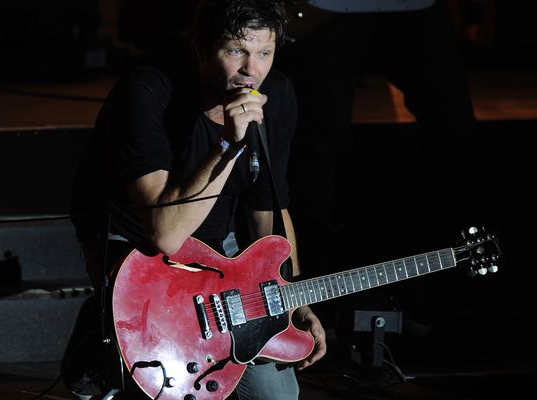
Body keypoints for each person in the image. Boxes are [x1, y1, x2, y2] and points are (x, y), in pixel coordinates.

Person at [62, 0, 326, 399]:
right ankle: (104, 320)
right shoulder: (149, 90)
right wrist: (228, 145)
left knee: (277, 396)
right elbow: (165, 234)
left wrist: (289, 296)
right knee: (176, 387)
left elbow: (268, 212)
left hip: (219, 246)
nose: (250, 70)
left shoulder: (276, 94)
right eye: (236, 51)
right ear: (202, 49)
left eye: (264, 53)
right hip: (136, 244)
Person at [278, 0, 476, 334]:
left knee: (455, 131)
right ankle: (315, 299)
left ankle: (416, 277)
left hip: (414, 6)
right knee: (319, 147)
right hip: (331, 7)